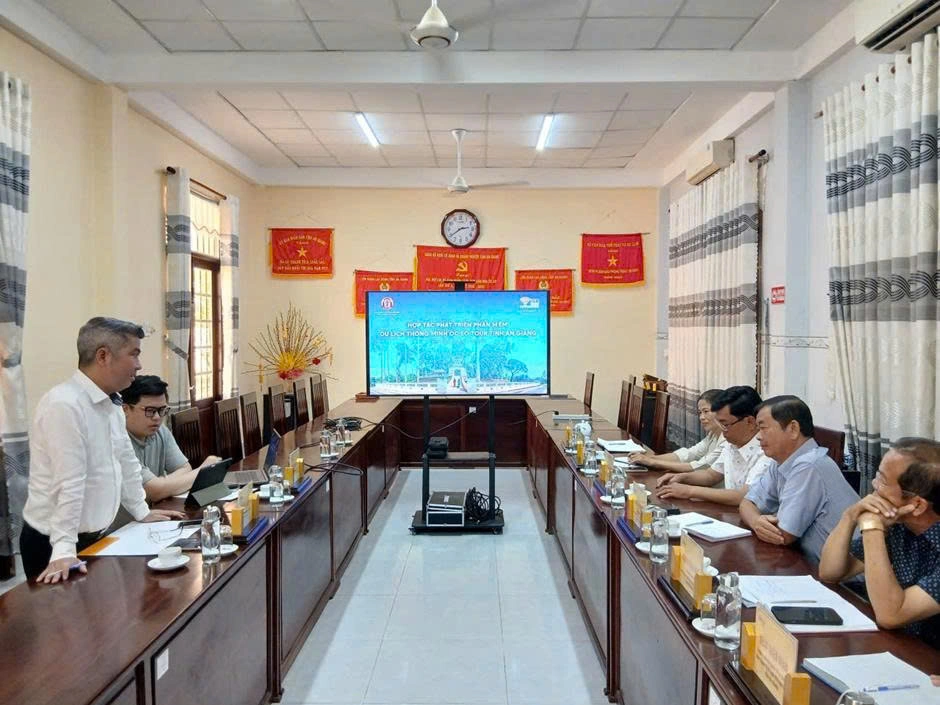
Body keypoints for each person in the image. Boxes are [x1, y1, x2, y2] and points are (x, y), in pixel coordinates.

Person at [19, 317, 184, 583]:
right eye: (134, 354)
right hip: (54, 544)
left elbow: (126, 462)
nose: (139, 365)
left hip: (94, 537)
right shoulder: (64, 405)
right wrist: (64, 550)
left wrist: (141, 510)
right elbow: (68, 482)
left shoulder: (111, 404)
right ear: (103, 356)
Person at [818, 437, 940, 648]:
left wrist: (872, 526)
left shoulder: (887, 522)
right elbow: (830, 572)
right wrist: (850, 516)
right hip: (903, 645)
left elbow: (891, 615)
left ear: (917, 505)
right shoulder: (900, 525)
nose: (874, 485)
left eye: (882, 480)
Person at [740, 396, 858, 565]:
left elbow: (783, 534)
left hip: (844, 577)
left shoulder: (809, 465)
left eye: (763, 428)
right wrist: (756, 521)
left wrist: (759, 521)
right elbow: (747, 503)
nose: (758, 436)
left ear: (793, 429)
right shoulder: (781, 461)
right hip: (808, 563)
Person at [656, 386, 771, 506]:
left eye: (725, 424)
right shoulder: (731, 444)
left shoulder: (766, 451)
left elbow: (742, 496)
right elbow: (711, 475)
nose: (722, 431)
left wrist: (689, 491)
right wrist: (682, 477)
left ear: (750, 422)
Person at [121, 375, 220, 502]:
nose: (157, 417)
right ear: (125, 409)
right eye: (150, 411)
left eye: (162, 410)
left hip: (155, 510)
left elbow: (185, 468)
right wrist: (203, 470)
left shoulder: (160, 430)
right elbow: (154, 492)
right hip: (130, 515)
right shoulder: (118, 441)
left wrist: (162, 484)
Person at [630, 389, 725, 473]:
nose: (701, 417)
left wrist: (652, 462)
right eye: (700, 413)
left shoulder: (726, 440)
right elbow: (689, 454)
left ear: (721, 411)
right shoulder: (713, 434)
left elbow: (700, 466)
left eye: (706, 411)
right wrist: (649, 458)